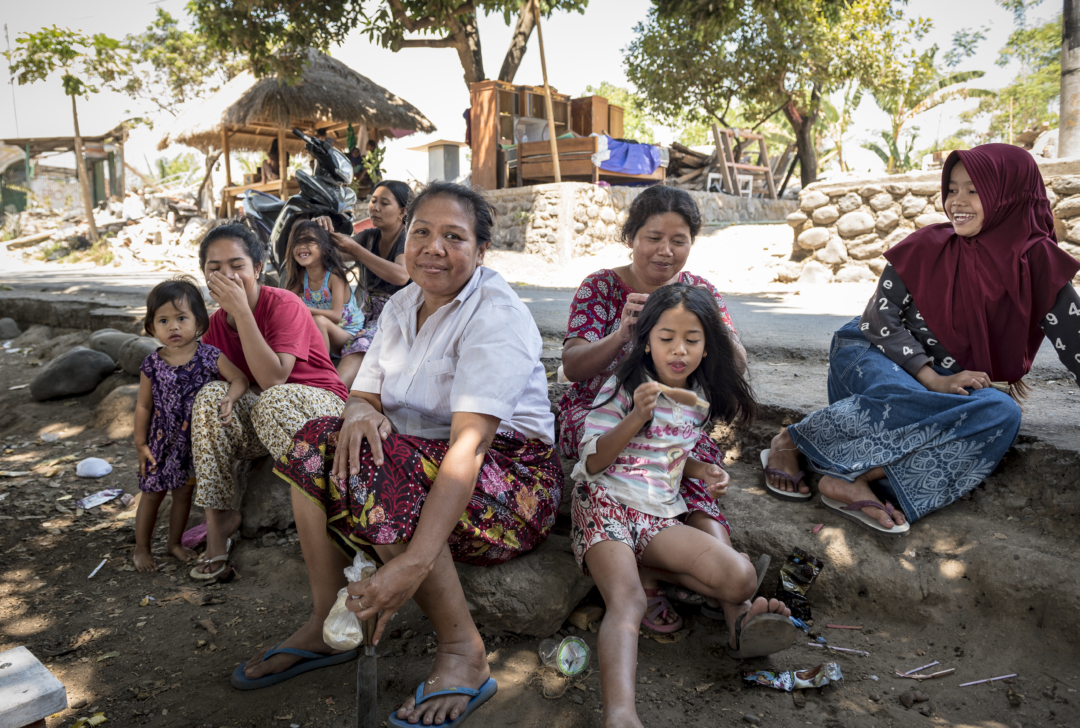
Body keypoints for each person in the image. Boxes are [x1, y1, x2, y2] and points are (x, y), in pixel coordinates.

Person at [235, 183, 561, 728]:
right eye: (422, 233)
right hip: (421, 460)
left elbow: (470, 445)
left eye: (454, 237)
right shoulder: (401, 304)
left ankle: (464, 652)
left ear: (481, 251)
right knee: (317, 439)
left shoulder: (495, 315)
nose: (434, 247)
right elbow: (362, 393)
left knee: (383, 464)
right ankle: (326, 620)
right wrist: (361, 415)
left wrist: (412, 563)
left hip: (511, 486)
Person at [764, 143, 1080, 533]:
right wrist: (936, 379)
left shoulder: (1038, 263)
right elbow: (877, 319)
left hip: (937, 396)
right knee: (903, 395)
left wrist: (944, 388)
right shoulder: (926, 247)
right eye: (951, 189)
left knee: (1003, 412)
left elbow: (1076, 344)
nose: (956, 202)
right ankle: (791, 442)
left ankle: (853, 477)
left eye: (973, 190)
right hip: (872, 356)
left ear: (1010, 194)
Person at [572, 283, 793, 725]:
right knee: (628, 602)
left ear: (708, 346)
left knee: (741, 577)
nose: (679, 350)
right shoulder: (625, 387)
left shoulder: (697, 402)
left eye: (692, 340)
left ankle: (658, 570)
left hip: (658, 515)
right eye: (666, 338)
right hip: (604, 503)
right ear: (646, 341)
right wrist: (636, 414)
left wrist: (702, 472)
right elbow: (593, 461)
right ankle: (620, 714)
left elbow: (669, 455)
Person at [559, 184, 748, 626]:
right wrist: (623, 334)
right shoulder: (601, 287)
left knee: (694, 465)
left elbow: (735, 361)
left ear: (690, 244)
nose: (665, 251)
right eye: (653, 237)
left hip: (674, 420)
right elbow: (572, 368)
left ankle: (731, 602)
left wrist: (709, 334)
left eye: (678, 240)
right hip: (601, 412)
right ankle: (664, 584)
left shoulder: (698, 290)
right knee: (638, 463)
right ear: (631, 237)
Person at [188, 223, 349, 579]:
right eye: (214, 269)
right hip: (265, 419)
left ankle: (336, 519)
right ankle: (219, 527)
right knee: (209, 398)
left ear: (258, 269)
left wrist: (242, 313)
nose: (227, 275)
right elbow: (231, 385)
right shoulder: (214, 325)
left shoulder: (284, 304)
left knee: (271, 400)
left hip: (318, 409)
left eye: (237, 265)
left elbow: (274, 378)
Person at [133, 277, 248, 572]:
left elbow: (239, 379)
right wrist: (140, 444)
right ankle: (142, 549)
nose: (173, 326)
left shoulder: (210, 356)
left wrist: (230, 399)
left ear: (199, 321)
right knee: (152, 492)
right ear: (151, 326)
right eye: (163, 320)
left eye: (181, 318)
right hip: (160, 441)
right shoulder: (152, 363)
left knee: (184, 493)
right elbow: (144, 405)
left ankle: (173, 543)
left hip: (195, 442)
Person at [325, 180, 412, 386]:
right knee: (319, 323)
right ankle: (316, 379)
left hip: (395, 322)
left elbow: (401, 275)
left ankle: (330, 394)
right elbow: (330, 256)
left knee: (362, 343)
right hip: (363, 318)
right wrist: (319, 230)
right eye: (373, 201)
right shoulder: (369, 237)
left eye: (384, 203)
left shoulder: (407, 238)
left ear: (403, 211)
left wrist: (357, 251)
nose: (375, 207)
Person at [283, 220, 364, 357]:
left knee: (318, 320)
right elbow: (286, 302)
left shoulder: (334, 276)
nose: (302, 246)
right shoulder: (302, 276)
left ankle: (323, 370)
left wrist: (303, 308)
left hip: (348, 335)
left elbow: (336, 316)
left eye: (309, 241)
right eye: (297, 242)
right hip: (323, 335)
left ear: (325, 249)